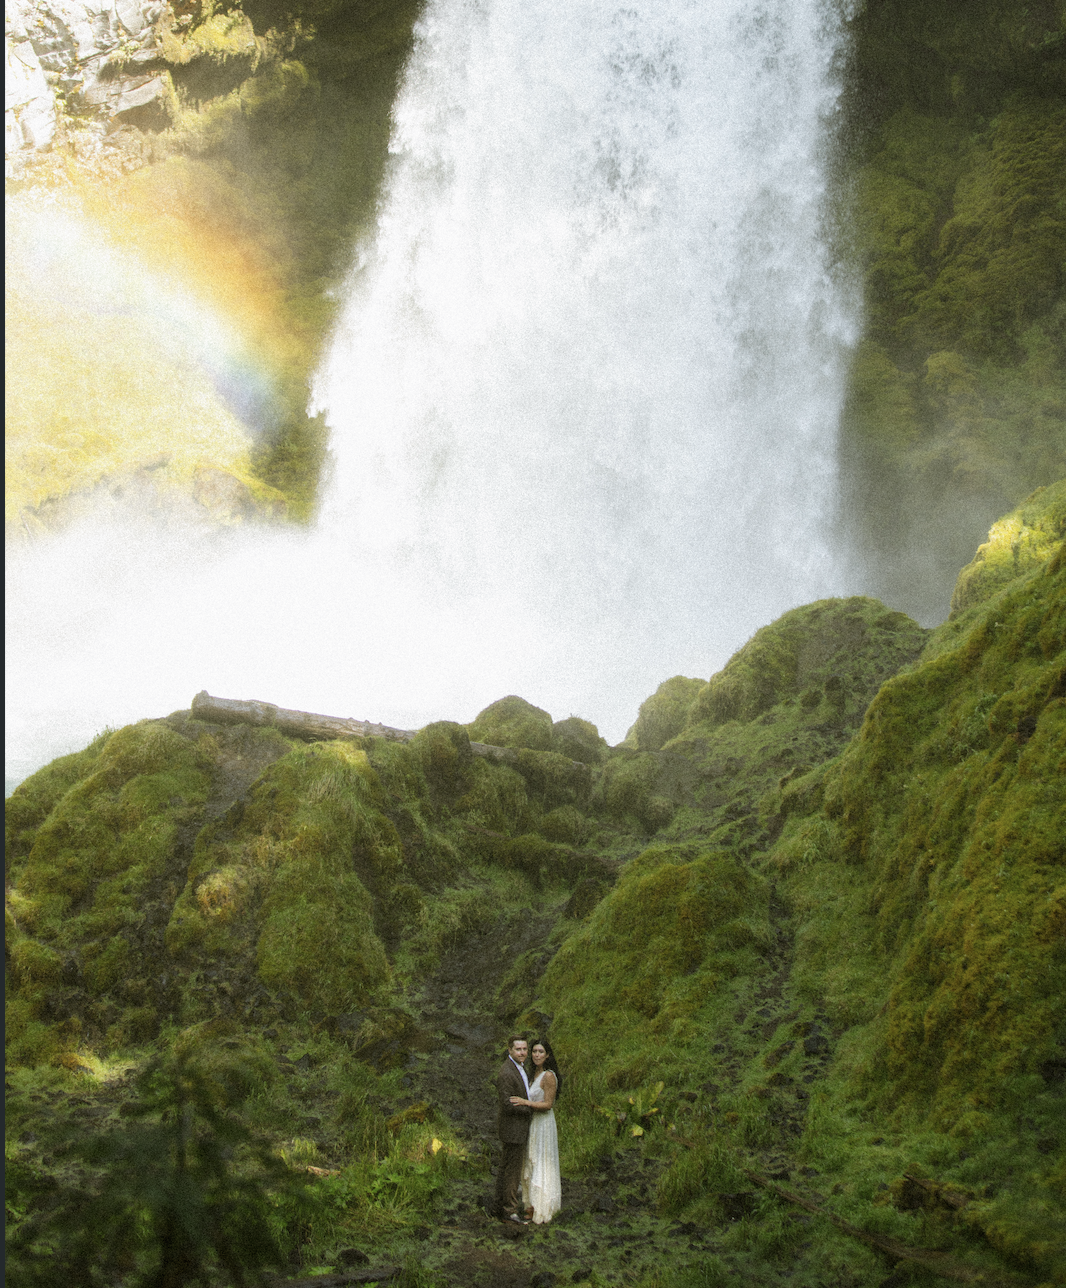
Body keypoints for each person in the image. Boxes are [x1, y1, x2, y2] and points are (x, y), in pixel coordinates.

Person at [510, 1037, 562, 1224]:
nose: (536, 1055)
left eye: (540, 1052)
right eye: (534, 1052)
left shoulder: (548, 1076)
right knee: (530, 1160)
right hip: (533, 1122)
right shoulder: (533, 1074)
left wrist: (525, 1102)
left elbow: (548, 1104)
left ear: (547, 1055)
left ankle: (543, 1206)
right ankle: (530, 1205)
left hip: (544, 1123)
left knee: (541, 1161)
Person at [494, 1035, 532, 1223]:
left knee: (506, 1167)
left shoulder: (519, 1068)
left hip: (514, 1129)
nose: (522, 1052)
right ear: (509, 1050)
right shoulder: (507, 1073)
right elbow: (507, 1103)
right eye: (518, 1049)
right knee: (512, 1171)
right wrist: (530, 1107)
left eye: (525, 1049)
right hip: (513, 1130)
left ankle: (499, 1205)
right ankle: (510, 1210)